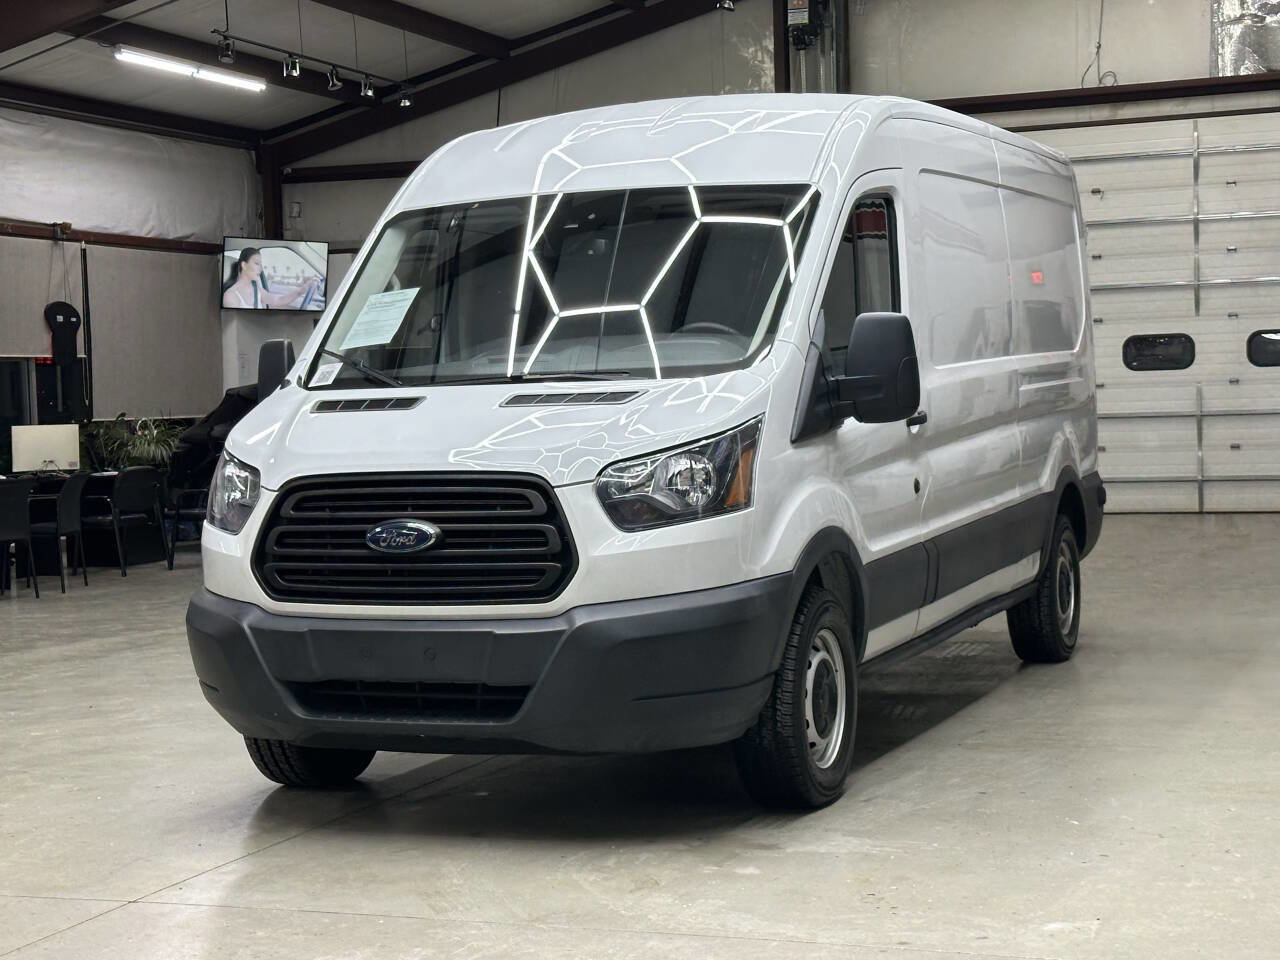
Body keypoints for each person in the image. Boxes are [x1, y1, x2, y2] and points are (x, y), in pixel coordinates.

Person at [221, 247, 320, 310]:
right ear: (244, 265)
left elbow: (277, 300)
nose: (260, 269)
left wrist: (301, 291)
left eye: (261, 264)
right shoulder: (230, 296)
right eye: (256, 264)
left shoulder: (257, 286)